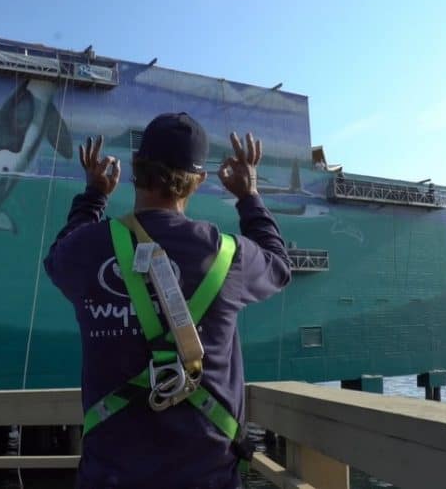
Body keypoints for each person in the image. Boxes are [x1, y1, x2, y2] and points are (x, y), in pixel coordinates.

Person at [44, 113, 292, 489]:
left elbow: (59, 258)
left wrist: (93, 195)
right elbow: (278, 265)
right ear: (199, 181)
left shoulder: (87, 247)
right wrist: (248, 196)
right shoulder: (227, 255)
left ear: (134, 169)